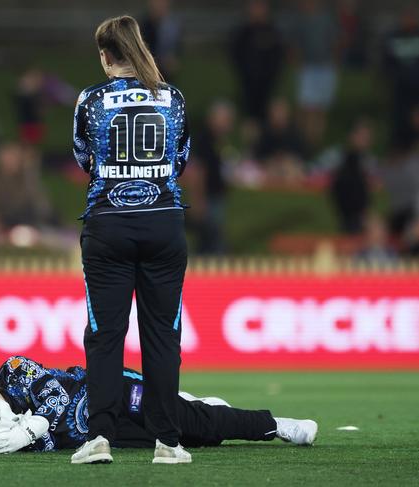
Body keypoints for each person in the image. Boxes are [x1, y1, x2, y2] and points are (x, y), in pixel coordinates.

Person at [72, 15, 191, 464]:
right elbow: (180, 159)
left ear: (105, 56)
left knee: (105, 335)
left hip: (107, 226)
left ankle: (99, 436)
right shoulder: (172, 98)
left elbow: (84, 156)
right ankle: (168, 443)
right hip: (163, 224)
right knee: (162, 334)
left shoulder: (91, 98)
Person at [0, 356, 319, 455]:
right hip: (103, 432)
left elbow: (52, 396)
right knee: (195, 438)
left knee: (194, 420)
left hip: (110, 392)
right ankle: (198, 406)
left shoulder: (12, 371)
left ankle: (277, 424)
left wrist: (30, 425)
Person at [291, 0, 340, 147]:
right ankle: (301, 139)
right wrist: (297, 64)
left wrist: (334, 63)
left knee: (320, 108)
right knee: (306, 106)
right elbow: (295, 45)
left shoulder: (327, 20)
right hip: (308, 68)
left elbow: (336, 41)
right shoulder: (300, 21)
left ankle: (315, 142)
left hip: (325, 68)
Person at [229, 0, 285, 123]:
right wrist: (244, 71)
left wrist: (273, 73)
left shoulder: (272, 31)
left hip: (268, 82)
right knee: (251, 115)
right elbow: (235, 54)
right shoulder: (243, 32)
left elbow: (279, 54)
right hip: (248, 81)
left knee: (267, 113)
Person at [192, 100, 235, 255]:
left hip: (218, 195)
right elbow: (198, 171)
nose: (228, 124)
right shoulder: (205, 140)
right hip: (208, 197)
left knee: (214, 235)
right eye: (225, 119)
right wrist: (199, 199)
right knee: (210, 238)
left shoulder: (222, 140)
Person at [329, 118, 375, 234]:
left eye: (367, 137)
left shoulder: (371, 161)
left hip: (361, 215)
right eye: (361, 136)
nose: (364, 140)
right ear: (351, 136)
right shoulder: (339, 158)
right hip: (348, 215)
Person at [383, 7, 419, 150]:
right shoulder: (393, 37)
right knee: (400, 124)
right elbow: (387, 63)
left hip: (417, 89)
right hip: (400, 89)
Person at [140, 0, 182, 82]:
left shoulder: (172, 25)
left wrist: (174, 59)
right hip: (150, 71)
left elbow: (176, 46)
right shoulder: (145, 26)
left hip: (167, 73)